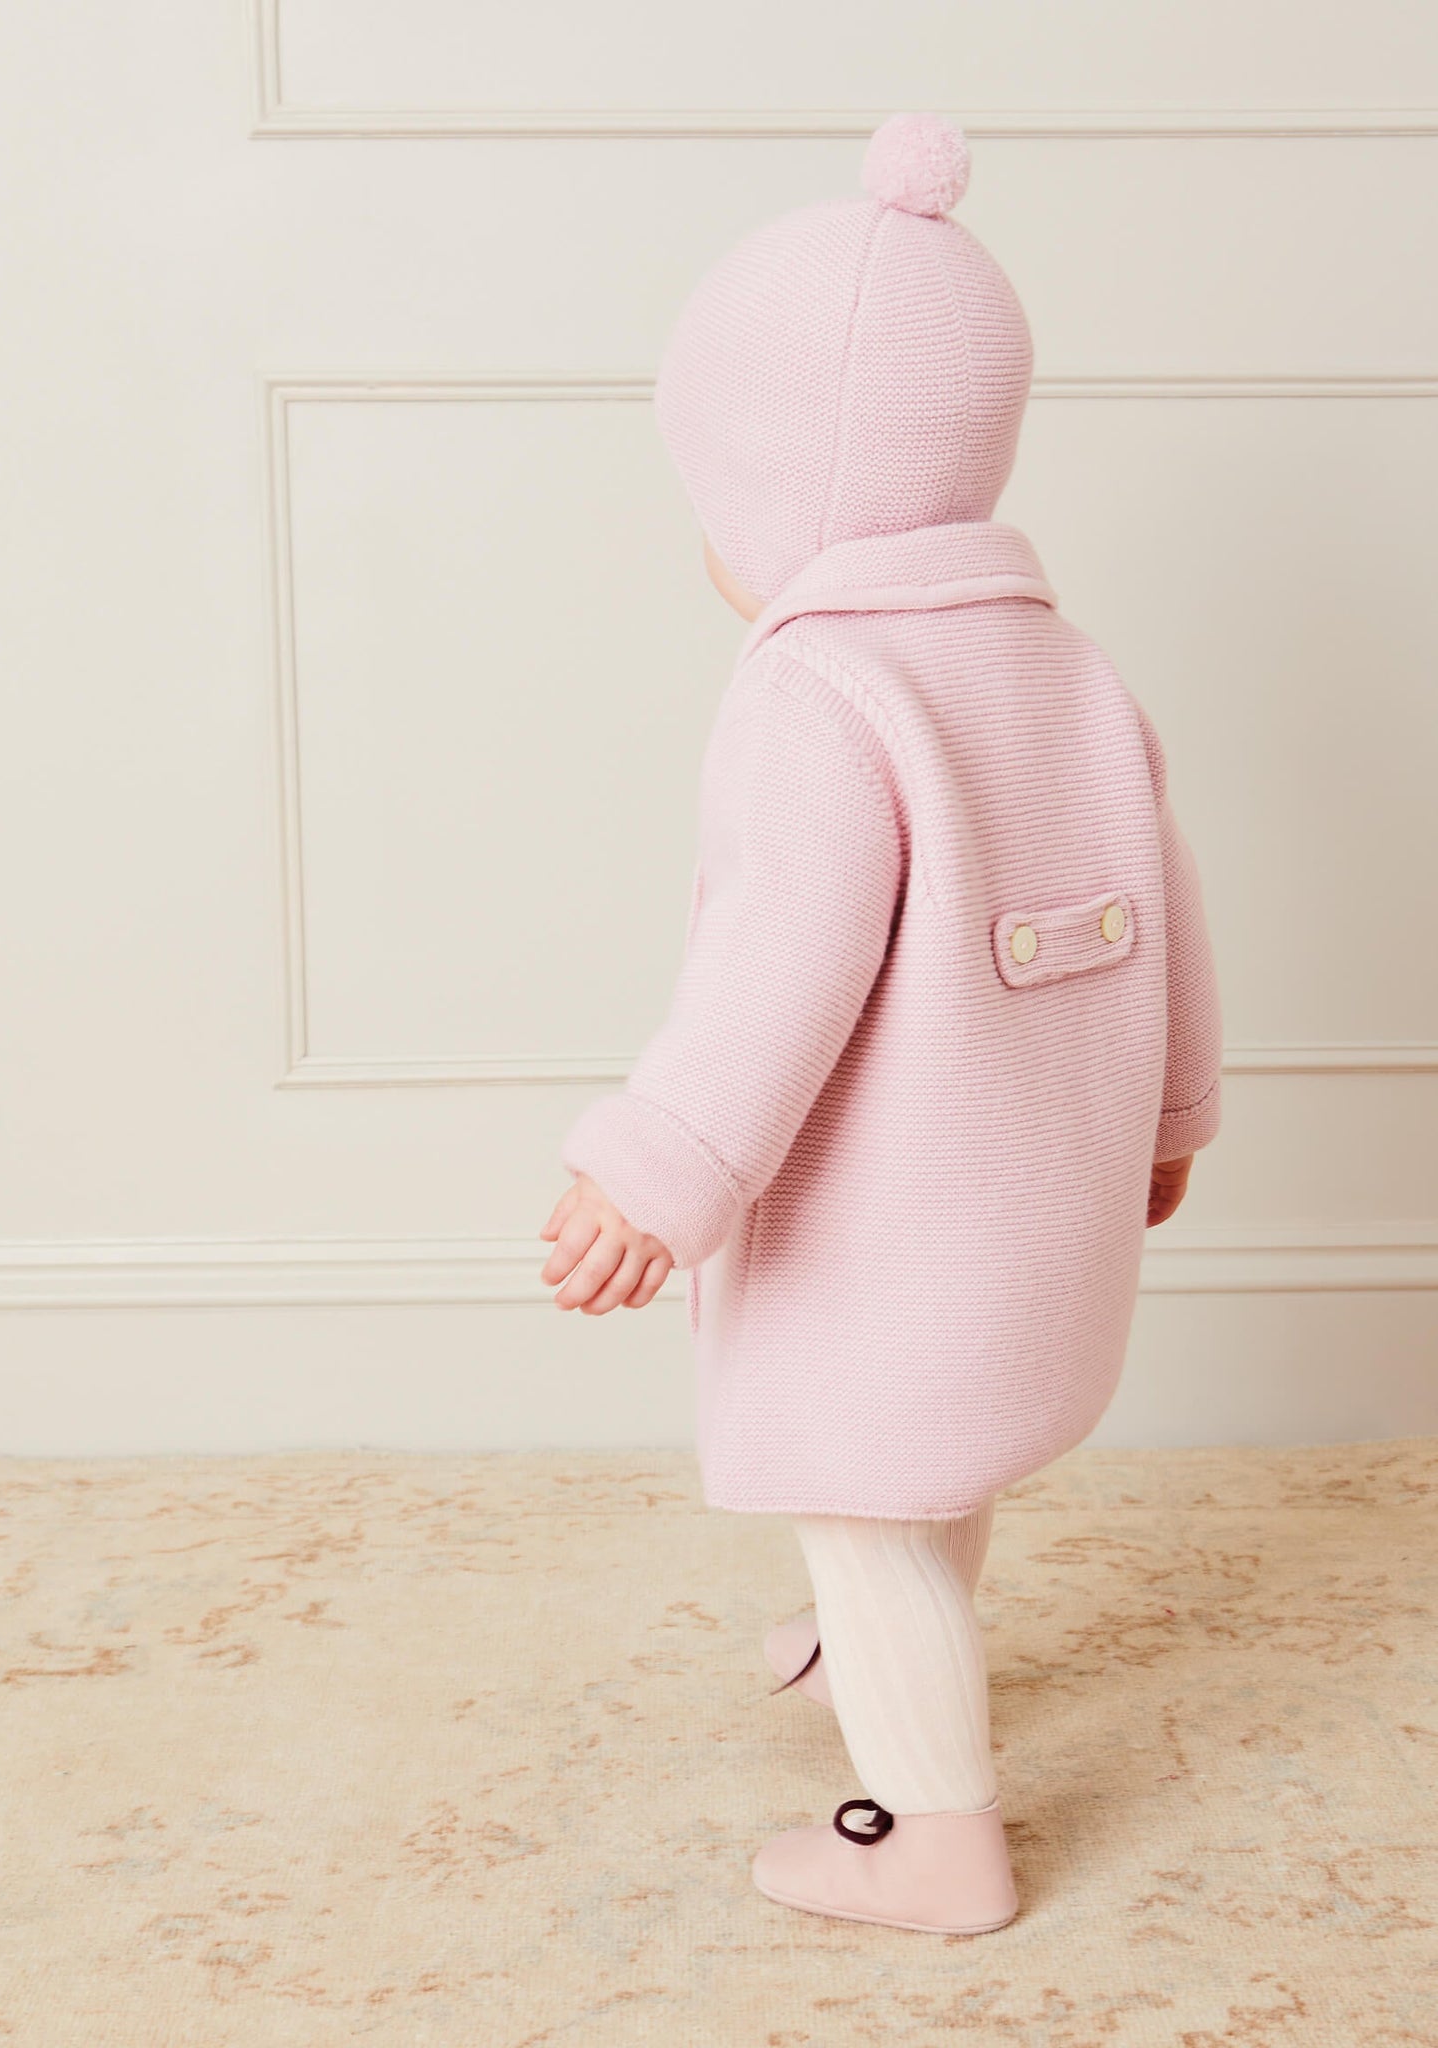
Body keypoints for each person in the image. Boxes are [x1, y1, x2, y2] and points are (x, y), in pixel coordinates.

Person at [538, 111, 1222, 1935]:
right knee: (942, 1447)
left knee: (862, 1481)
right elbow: (1165, 901)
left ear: (784, 484)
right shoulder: (1059, 660)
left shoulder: (818, 689)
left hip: (898, 1217)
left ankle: (935, 1838)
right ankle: (875, 1635)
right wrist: (1174, 1119)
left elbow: (776, 959)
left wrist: (659, 1167)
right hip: (1043, 1193)